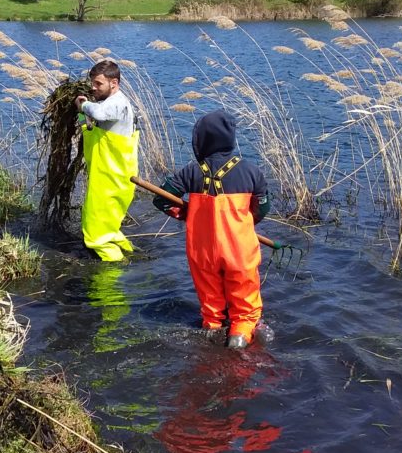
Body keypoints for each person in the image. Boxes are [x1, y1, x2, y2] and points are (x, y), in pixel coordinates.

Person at [152, 110, 271, 349]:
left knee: (211, 301)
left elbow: (162, 199)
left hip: (202, 250)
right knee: (244, 299)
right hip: (239, 249)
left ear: (202, 140)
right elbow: (263, 208)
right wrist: (246, 224)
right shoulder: (250, 171)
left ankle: (212, 330)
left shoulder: (192, 171)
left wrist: (187, 214)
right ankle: (240, 336)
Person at [75, 60, 139, 262]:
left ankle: (111, 278)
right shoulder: (110, 102)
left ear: (114, 83)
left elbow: (98, 113)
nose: (93, 87)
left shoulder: (116, 103)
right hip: (109, 175)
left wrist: (83, 104)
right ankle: (131, 256)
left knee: (97, 235)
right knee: (108, 227)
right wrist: (80, 113)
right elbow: (92, 128)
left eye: (98, 84)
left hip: (111, 178)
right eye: (92, 83)